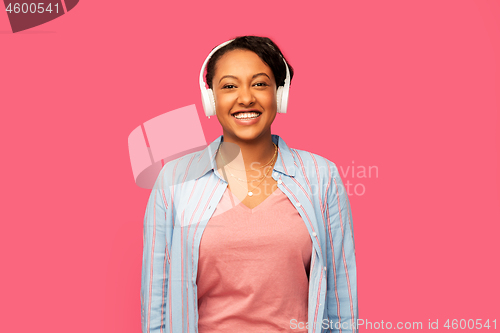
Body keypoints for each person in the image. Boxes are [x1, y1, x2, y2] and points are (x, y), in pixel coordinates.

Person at [141, 35, 358, 333]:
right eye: (229, 86)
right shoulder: (174, 182)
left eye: (259, 84)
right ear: (210, 98)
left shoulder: (322, 177)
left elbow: (340, 294)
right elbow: (157, 299)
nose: (245, 98)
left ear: (279, 95)